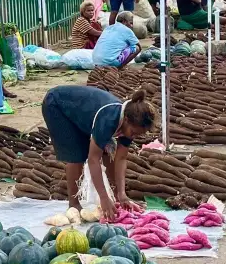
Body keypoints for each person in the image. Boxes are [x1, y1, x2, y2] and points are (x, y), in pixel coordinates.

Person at [41, 86, 157, 219]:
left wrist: (122, 194)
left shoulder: (129, 122)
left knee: (108, 152)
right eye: (134, 132)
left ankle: (115, 198)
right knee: (77, 155)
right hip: (57, 105)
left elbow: (121, 158)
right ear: (126, 120)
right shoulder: (108, 119)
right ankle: (74, 204)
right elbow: (93, 159)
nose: (133, 136)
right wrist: (103, 197)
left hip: (82, 113)